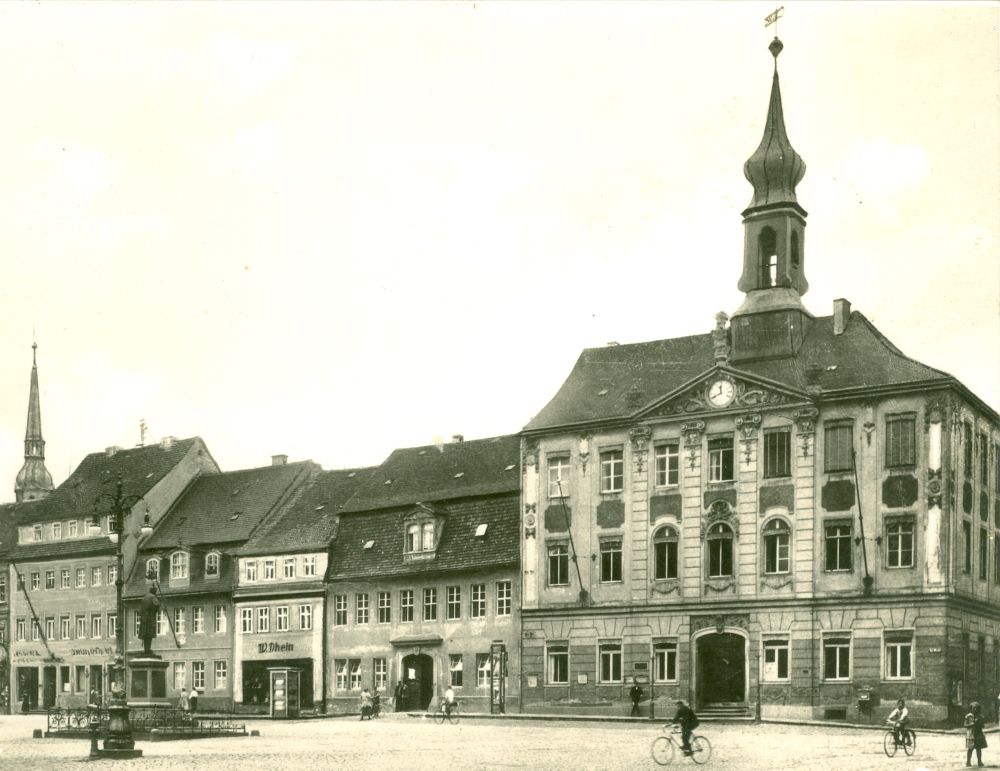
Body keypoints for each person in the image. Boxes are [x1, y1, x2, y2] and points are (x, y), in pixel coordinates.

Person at [138, 585, 161, 655]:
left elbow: (140, 610)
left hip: (143, 619)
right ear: (154, 591)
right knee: (149, 635)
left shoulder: (144, 598)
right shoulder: (153, 597)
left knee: (145, 635)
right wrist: (154, 612)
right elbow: (157, 604)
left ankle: (146, 650)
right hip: (149, 618)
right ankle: (148, 650)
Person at [965, 701, 987, 767]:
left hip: (978, 734)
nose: (975, 709)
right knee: (970, 749)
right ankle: (968, 762)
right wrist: (971, 724)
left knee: (978, 748)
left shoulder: (980, 716)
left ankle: (979, 762)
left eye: (976, 708)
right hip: (971, 734)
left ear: (978, 709)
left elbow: (983, 726)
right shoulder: (969, 716)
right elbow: (965, 725)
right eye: (973, 708)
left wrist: (979, 722)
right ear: (971, 709)